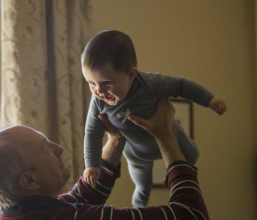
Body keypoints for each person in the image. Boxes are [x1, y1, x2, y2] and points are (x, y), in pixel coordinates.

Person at [0, 99, 209, 219]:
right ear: (29, 181)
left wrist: (115, 140)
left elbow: (83, 196)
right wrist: (165, 135)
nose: (59, 148)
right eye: (46, 148)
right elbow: (190, 215)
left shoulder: (14, 213)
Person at [81, 30, 227, 207]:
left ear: (131, 74)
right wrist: (92, 165)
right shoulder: (98, 101)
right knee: (142, 184)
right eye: (91, 83)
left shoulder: (149, 84)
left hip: (169, 133)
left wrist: (210, 100)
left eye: (106, 83)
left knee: (192, 156)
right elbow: (92, 132)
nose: (99, 91)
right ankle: (139, 206)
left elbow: (181, 86)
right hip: (136, 152)